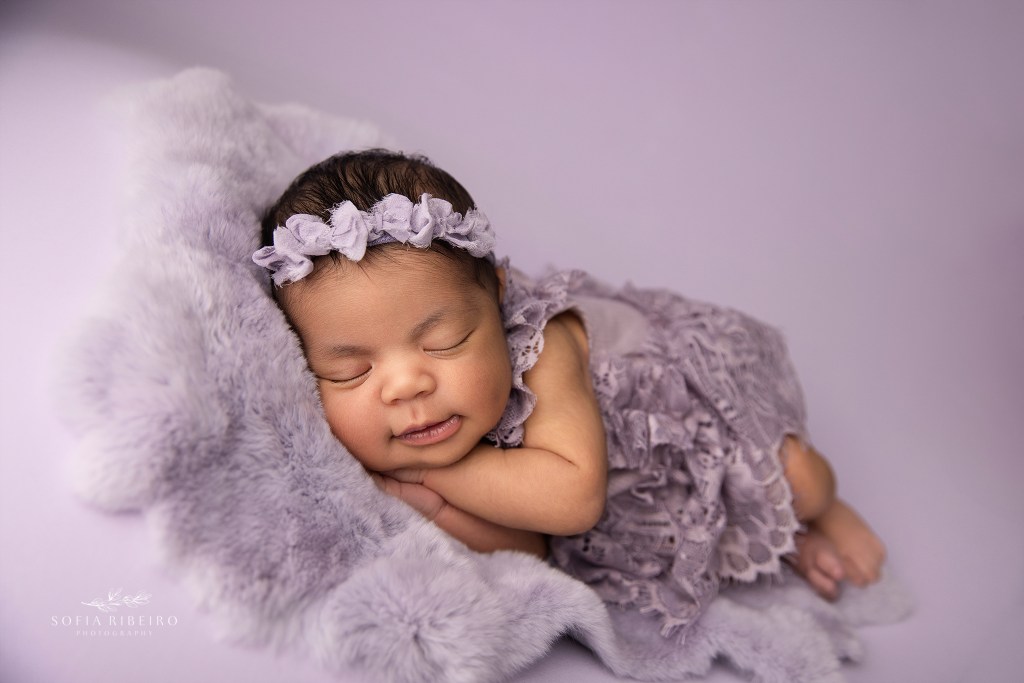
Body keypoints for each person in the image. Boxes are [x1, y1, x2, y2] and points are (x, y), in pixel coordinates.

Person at [253, 149, 885, 638]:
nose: (406, 385)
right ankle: (779, 540)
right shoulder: (379, 431)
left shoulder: (542, 342)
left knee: (793, 478)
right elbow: (534, 544)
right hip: (606, 494)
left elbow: (572, 500)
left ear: (496, 297)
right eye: (349, 373)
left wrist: (419, 469)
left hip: (686, 415)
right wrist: (424, 503)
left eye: (443, 341)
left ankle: (820, 512)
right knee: (694, 534)